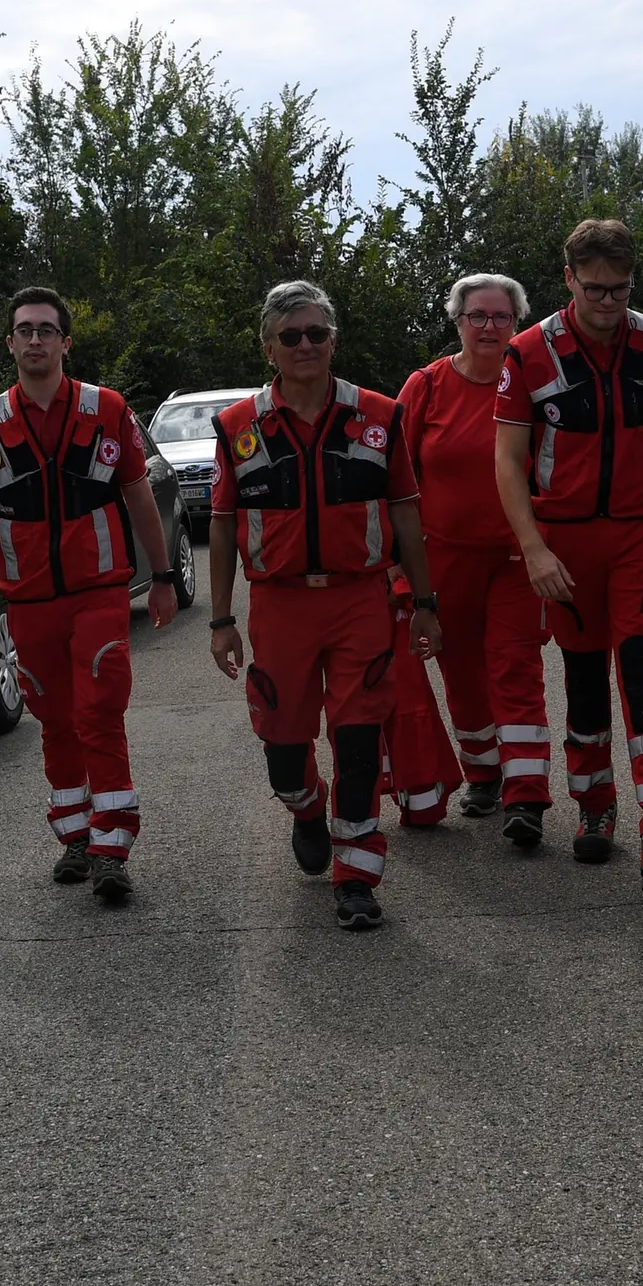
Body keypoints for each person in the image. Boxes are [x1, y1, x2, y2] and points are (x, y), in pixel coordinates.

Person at [207, 281, 442, 931]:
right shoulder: (237, 428)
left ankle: (358, 875)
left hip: (360, 601)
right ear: (269, 348)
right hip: (280, 608)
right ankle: (307, 808)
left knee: (360, 741)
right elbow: (223, 526)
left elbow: (406, 514)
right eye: (291, 336)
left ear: (334, 340)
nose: (305, 345)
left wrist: (424, 601)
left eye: (316, 333)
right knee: (284, 749)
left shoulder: (380, 415)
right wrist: (221, 618)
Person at [494, 219, 643, 896]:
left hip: (642, 533)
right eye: (595, 290)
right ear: (569, 281)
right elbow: (508, 459)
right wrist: (533, 549)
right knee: (583, 677)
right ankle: (594, 805)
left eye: (620, 290)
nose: (609, 304)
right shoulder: (529, 354)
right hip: (567, 541)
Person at [0, 287, 179, 902]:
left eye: (46, 330)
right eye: (24, 330)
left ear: (65, 341)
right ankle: (75, 837)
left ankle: (112, 846)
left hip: (99, 593)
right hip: (27, 601)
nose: (35, 340)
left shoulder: (107, 409)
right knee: (54, 718)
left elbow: (138, 495)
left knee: (100, 711)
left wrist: (163, 579)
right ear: (10, 342)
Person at [396, 274, 549, 822]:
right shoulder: (426, 386)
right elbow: (397, 480)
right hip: (444, 558)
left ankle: (527, 792)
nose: (489, 327)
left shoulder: (532, 382)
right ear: (457, 322)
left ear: (517, 323)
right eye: (477, 316)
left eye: (501, 317)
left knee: (515, 665)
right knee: (459, 669)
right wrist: (399, 570)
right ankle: (484, 774)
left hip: (516, 556)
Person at [379, 568, 464, 827]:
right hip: (346, 593)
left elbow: (406, 531)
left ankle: (421, 796)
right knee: (355, 704)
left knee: (406, 694)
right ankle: (355, 812)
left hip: (382, 591)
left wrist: (407, 588)